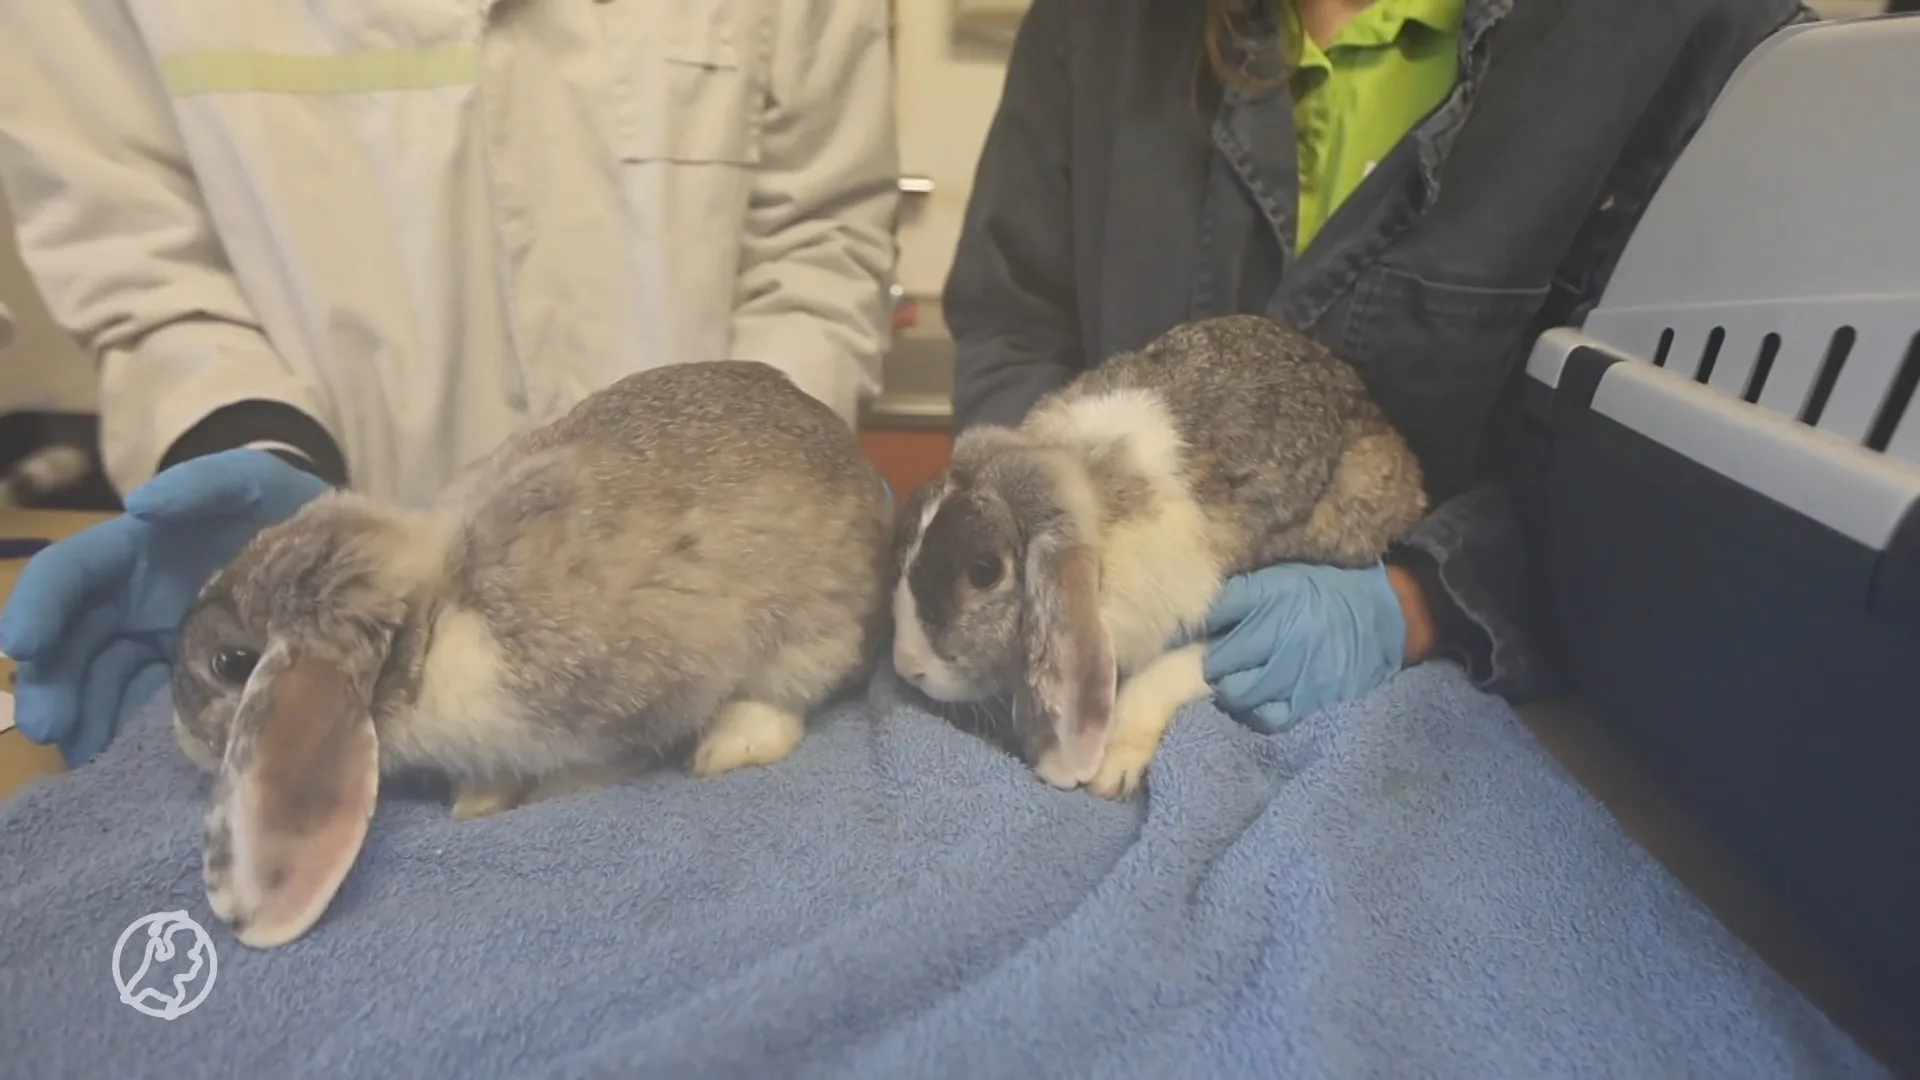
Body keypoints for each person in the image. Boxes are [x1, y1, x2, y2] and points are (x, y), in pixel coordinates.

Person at [0, 0, 899, 765]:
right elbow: (144, 266)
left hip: (710, 573)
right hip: (350, 529)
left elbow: (816, 240)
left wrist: (761, 552)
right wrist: (251, 471)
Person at [945, 0, 1815, 731]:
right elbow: (1009, 319)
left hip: (1490, 720)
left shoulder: (1689, 38)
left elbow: (1685, 490)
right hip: (1104, 657)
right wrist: (1046, 548)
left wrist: (1419, 601)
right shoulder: (1098, 25)